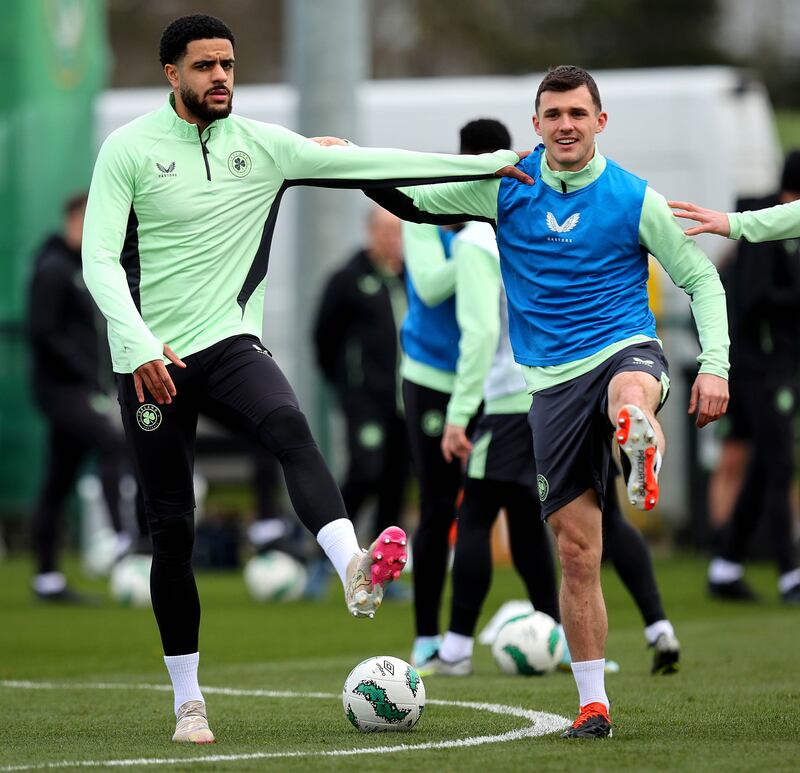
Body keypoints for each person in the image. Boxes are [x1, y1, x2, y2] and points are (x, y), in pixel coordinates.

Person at [80, 13, 530, 745]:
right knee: (172, 530)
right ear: (172, 74)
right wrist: (137, 346)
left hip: (227, 344)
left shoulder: (263, 146)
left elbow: (374, 165)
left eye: (228, 63)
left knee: (289, 425)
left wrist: (486, 164)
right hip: (147, 358)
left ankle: (352, 563)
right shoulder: (126, 150)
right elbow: (98, 261)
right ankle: (188, 700)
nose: (220, 76)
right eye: (204, 66)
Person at [366, 65, 729, 738]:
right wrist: (349, 165)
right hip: (550, 384)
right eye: (553, 113)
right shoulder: (509, 188)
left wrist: (715, 365)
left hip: (622, 347)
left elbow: (701, 277)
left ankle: (636, 430)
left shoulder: (632, 197)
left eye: (578, 113)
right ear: (535, 125)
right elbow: (416, 204)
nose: (566, 124)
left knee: (630, 387)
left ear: (600, 121)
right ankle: (594, 704)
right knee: (577, 552)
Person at [673, 153, 800, 605]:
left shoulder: (776, 225)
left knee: (765, 463)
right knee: (772, 463)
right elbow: (751, 300)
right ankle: (790, 573)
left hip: (767, 367)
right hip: (760, 370)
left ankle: (725, 563)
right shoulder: (766, 232)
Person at [27, 192, 139, 602]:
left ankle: (46, 579)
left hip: (82, 387)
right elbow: (43, 332)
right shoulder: (54, 268)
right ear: (75, 221)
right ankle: (121, 536)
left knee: (58, 478)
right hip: (61, 389)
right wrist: (84, 374)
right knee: (112, 442)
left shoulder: (88, 268)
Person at [313, 206, 410, 548]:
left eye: (398, 231)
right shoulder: (349, 279)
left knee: (394, 482)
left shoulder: (410, 279)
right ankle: (330, 546)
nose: (392, 238)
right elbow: (323, 337)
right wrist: (346, 384)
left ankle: (384, 566)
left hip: (407, 399)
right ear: (370, 232)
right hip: (365, 399)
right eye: (385, 230)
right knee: (366, 471)